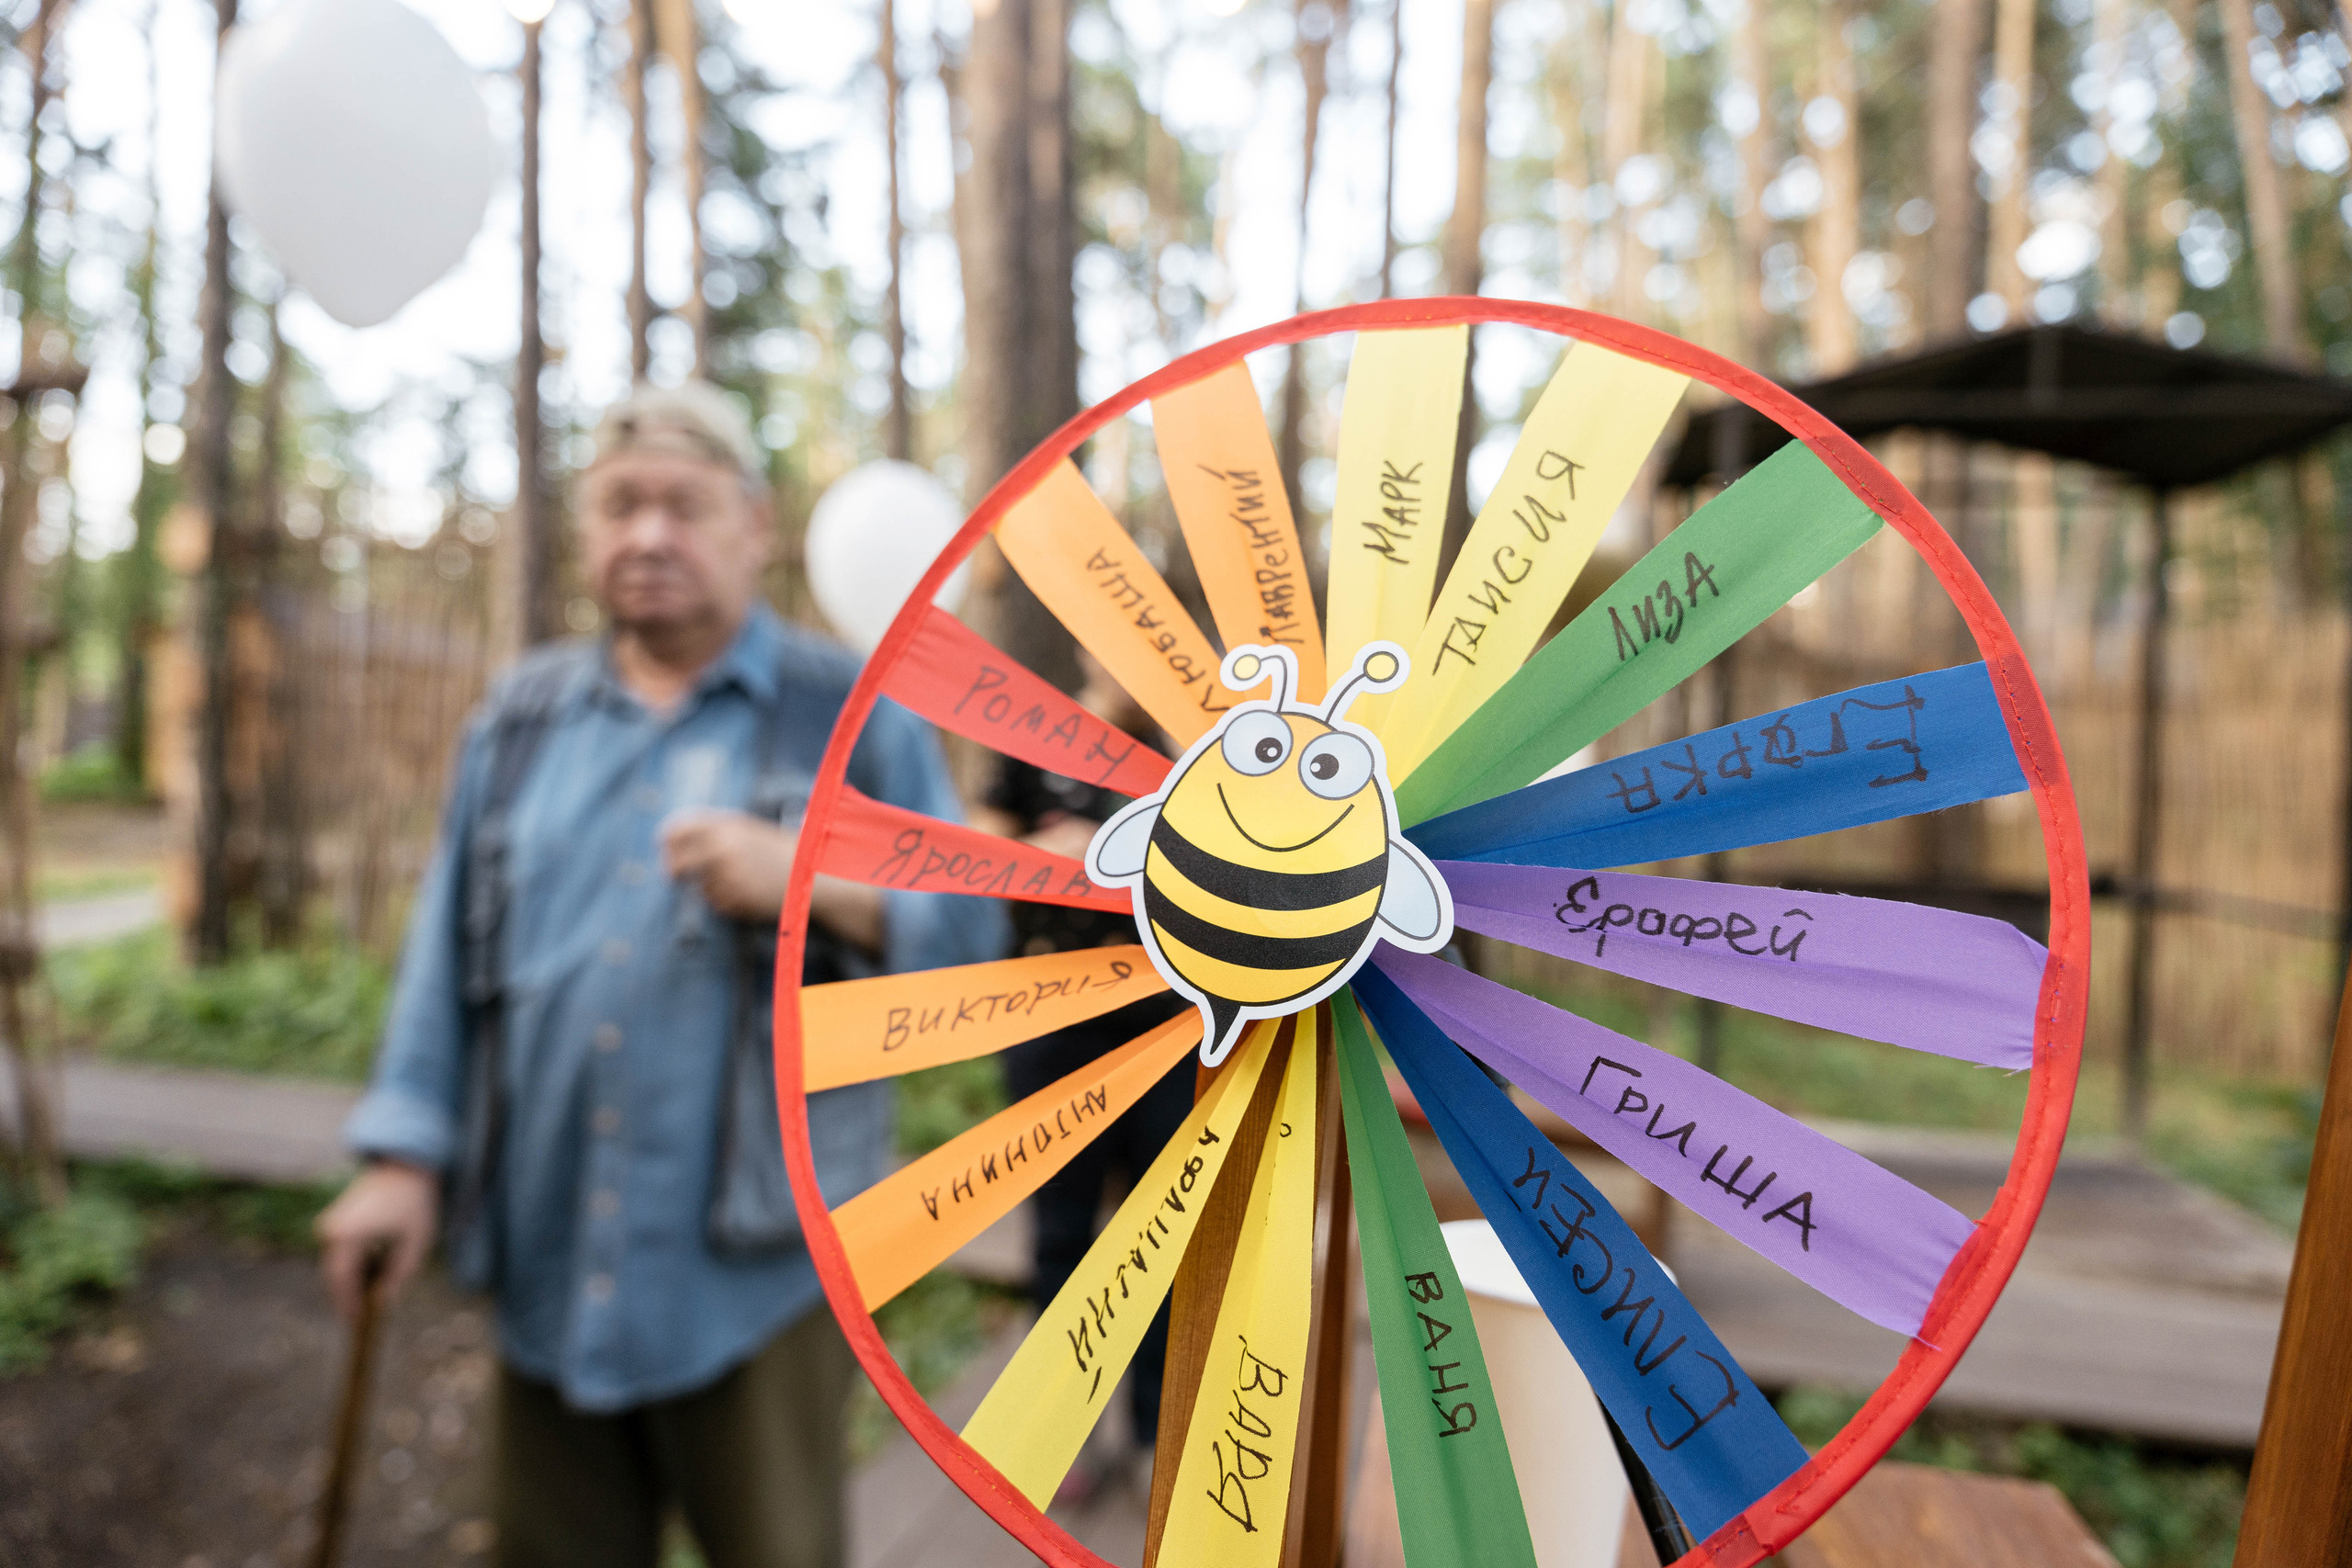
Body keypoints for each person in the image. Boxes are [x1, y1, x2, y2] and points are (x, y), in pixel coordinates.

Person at [315, 381, 999, 1568]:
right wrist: (399, 1157)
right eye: (619, 504)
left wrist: (815, 878)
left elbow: (977, 939)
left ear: (753, 526)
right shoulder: (518, 722)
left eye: (683, 505)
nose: (648, 534)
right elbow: (443, 962)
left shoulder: (849, 714)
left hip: (758, 1271)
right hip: (545, 1237)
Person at [972, 648, 1189, 1495]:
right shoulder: (1033, 736)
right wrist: (1048, 847)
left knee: (1156, 1234)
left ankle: (1149, 1436)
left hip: (1165, 1027)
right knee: (1059, 1232)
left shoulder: (1194, 747)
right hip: (1047, 1017)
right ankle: (1061, 1432)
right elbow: (975, 843)